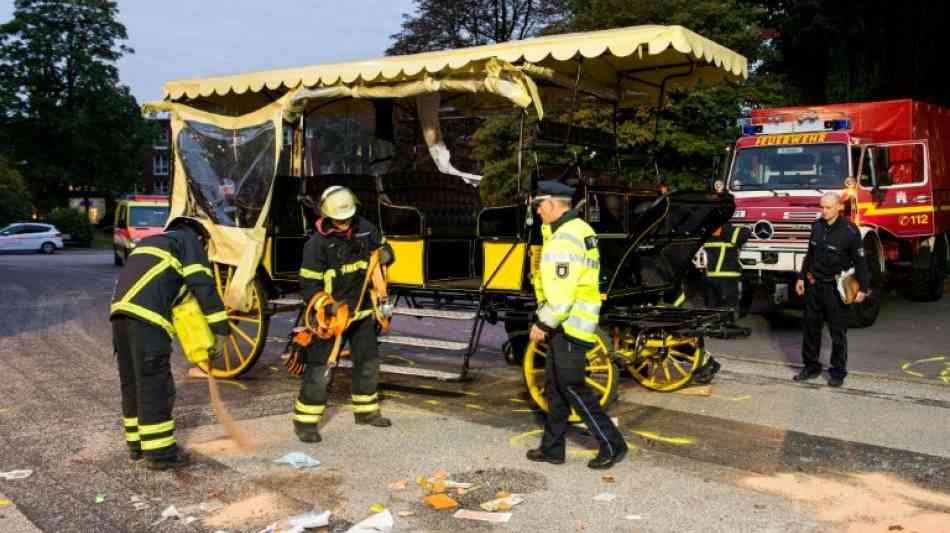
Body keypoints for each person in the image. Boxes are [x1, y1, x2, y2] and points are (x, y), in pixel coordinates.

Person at [110, 217, 230, 470]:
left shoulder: (151, 242)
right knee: (155, 385)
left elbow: (177, 297)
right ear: (200, 237)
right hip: (148, 320)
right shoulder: (188, 242)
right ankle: (161, 454)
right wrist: (220, 330)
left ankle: (137, 446)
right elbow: (203, 286)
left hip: (119, 317)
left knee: (133, 383)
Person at [526, 180, 627, 470]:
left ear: (552, 205)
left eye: (539, 206)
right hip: (570, 323)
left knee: (572, 387)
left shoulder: (564, 239)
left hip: (566, 325)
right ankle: (552, 448)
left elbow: (562, 293)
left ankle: (613, 444)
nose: (538, 212)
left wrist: (543, 325)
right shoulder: (579, 230)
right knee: (555, 388)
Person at [293, 186, 395, 443]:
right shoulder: (316, 246)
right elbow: (309, 287)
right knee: (321, 369)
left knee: (368, 361)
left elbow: (386, 250)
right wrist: (328, 308)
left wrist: (386, 254)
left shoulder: (366, 229)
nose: (344, 223)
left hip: (360, 315)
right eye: (339, 220)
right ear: (327, 216)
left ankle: (366, 412)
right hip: (330, 319)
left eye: (347, 218)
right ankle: (305, 422)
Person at [794, 192, 870, 387]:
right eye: (822, 207)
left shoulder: (850, 231)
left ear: (838, 207)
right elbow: (809, 255)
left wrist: (863, 287)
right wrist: (802, 278)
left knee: (837, 332)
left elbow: (861, 262)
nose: (824, 211)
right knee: (811, 329)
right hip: (814, 285)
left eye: (828, 207)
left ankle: (838, 371)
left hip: (835, 289)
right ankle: (811, 366)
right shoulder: (817, 226)